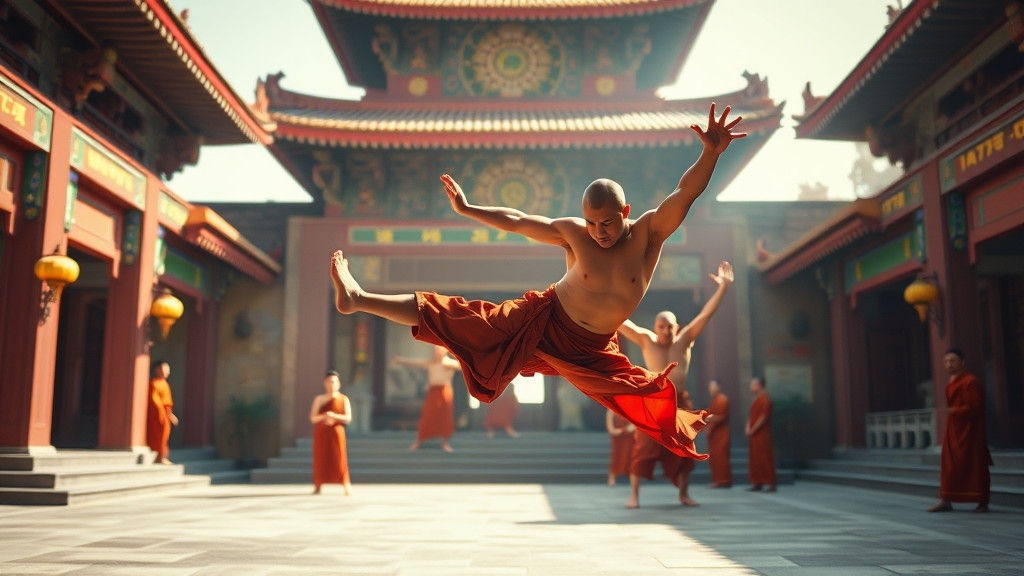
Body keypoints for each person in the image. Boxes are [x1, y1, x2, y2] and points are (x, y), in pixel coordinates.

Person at [329, 104, 745, 461]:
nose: (599, 232)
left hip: (593, 349)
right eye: (592, 222)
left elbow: (685, 192)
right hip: (544, 322)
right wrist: (470, 209)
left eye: (608, 223)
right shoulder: (575, 234)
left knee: (644, 397)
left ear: (626, 212)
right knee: (460, 318)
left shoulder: (650, 233)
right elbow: (520, 221)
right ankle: (359, 296)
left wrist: (709, 153)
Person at [617, 261, 734, 508]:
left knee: (684, 448)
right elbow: (619, 320)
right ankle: (634, 496)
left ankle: (683, 494)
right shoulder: (646, 339)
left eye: (670, 327)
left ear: (676, 327)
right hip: (653, 403)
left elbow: (706, 314)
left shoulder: (684, 340)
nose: (666, 331)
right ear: (655, 327)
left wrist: (723, 287)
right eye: (661, 327)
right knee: (643, 449)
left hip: (680, 401)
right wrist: (603, 292)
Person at [928, 348, 992, 513]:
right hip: (954, 430)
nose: (949, 364)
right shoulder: (951, 382)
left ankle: (982, 502)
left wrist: (955, 411)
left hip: (971, 431)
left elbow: (976, 407)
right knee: (948, 465)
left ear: (962, 362)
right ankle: (946, 500)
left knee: (975, 465)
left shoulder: (971, 382)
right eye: (946, 361)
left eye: (953, 361)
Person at [393, 345, 461, 452]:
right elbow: (415, 362)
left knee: (445, 417)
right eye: (435, 350)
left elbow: (463, 365)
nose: (437, 352)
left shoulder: (449, 363)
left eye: (439, 350)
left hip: (445, 391)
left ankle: (445, 443)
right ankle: (420, 441)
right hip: (433, 391)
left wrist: (453, 353)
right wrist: (400, 360)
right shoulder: (431, 363)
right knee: (427, 416)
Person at [310, 370, 352, 495]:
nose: (331, 384)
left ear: (338, 383)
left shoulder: (343, 399)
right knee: (320, 458)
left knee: (339, 458)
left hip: (336, 433)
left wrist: (335, 416)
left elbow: (348, 418)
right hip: (322, 433)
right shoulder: (319, 399)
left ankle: (345, 484)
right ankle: (318, 485)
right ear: (325, 383)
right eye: (329, 382)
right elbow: (313, 418)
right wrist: (324, 416)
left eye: (333, 382)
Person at [746, 376, 776, 492]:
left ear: (759, 385)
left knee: (764, 457)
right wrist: (748, 427)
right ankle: (757, 482)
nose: (751, 387)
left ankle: (770, 483)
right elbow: (752, 416)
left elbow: (763, 417)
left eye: (753, 384)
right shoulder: (756, 400)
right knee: (755, 458)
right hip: (754, 434)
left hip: (762, 434)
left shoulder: (765, 400)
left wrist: (753, 429)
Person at [146, 360, 178, 465]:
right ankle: (159, 457)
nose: (167, 371)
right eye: (164, 369)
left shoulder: (165, 384)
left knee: (164, 437)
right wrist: (164, 415)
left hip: (165, 414)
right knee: (157, 436)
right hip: (158, 416)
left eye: (168, 369)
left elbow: (167, 403)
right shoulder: (153, 384)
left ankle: (163, 456)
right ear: (157, 369)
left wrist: (169, 414)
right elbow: (155, 402)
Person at [706, 379, 733, 488]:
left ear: (719, 387)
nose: (710, 390)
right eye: (709, 387)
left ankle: (724, 480)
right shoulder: (715, 401)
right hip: (714, 436)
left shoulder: (722, 400)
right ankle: (718, 480)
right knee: (715, 458)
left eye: (712, 387)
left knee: (721, 458)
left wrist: (709, 418)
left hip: (721, 435)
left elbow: (722, 417)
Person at [606, 408, 635, 486]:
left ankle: (631, 477)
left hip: (629, 439)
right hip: (617, 439)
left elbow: (634, 427)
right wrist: (625, 430)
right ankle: (612, 477)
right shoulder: (610, 411)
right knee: (616, 456)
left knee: (630, 455)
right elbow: (611, 429)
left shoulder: (630, 409)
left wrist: (629, 429)